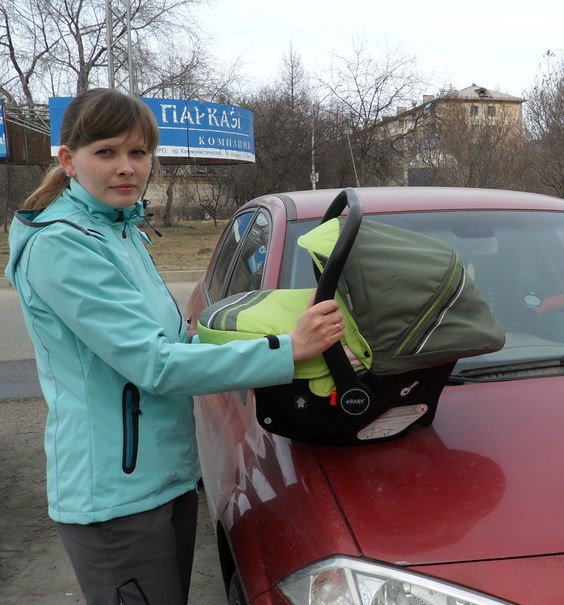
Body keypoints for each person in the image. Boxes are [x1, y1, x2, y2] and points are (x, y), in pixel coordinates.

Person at [3, 88, 346, 605]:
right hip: (115, 498)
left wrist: (263, 325)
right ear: (69, 161)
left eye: (138, 153)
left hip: (165, 476)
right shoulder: (63, 246)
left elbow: (176, 336)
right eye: (107, 152)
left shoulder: (122, 231)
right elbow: (156, 365)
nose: (126, 167)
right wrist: (285, 349)